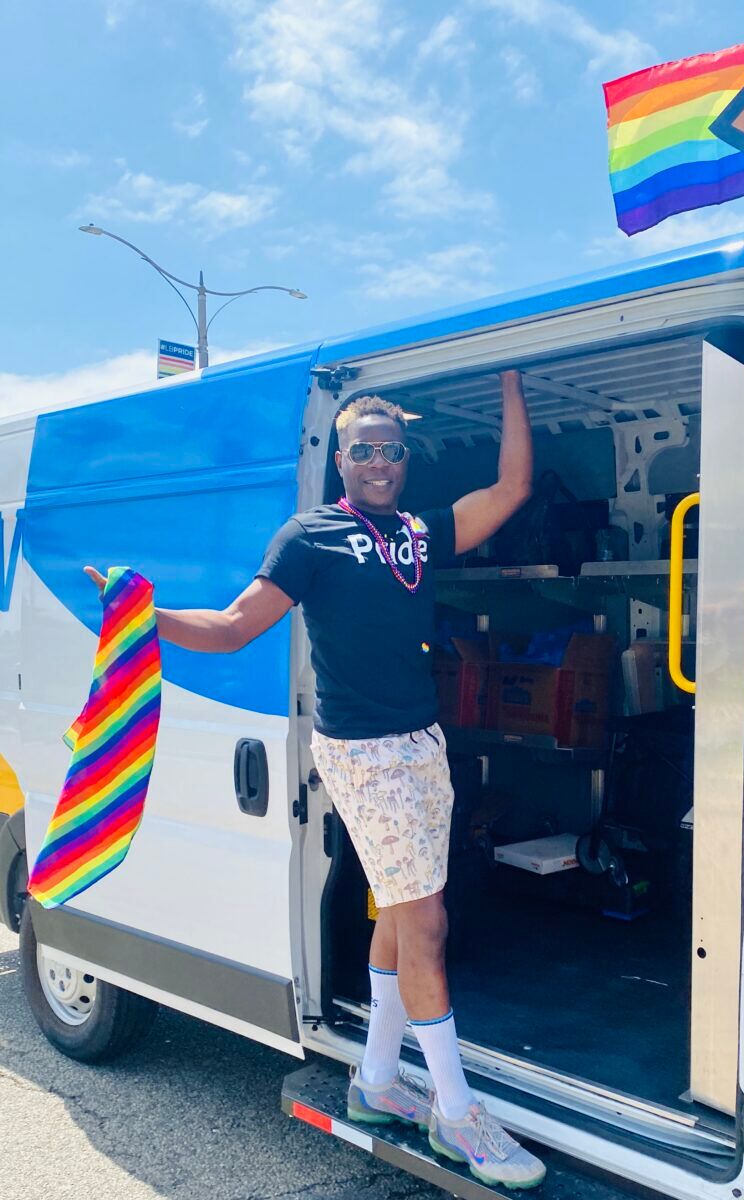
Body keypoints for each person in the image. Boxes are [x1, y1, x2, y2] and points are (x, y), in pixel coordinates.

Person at [85, 369, 545, 1189]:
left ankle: (374, 1083)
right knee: (427, 923)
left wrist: (512, 381)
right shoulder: (308, 536)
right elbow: (231, 629)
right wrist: (137, 616)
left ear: (404, 458)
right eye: (362, 449)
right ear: (341, 459)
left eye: (391, 450)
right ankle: (454, 1110)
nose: (378, 462)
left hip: (419, 745)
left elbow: (510, 487)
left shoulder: (418, 532)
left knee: (401, 912)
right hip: (364, 754)